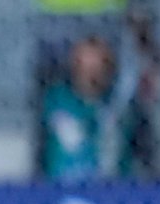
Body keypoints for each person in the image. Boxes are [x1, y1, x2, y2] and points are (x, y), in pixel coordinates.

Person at [40, 36, 138, 181]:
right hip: (64, 183)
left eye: (98, 68)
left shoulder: (121, 105)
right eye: (86, 68)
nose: (92, 76)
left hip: (112, 187)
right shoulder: (56, 100)